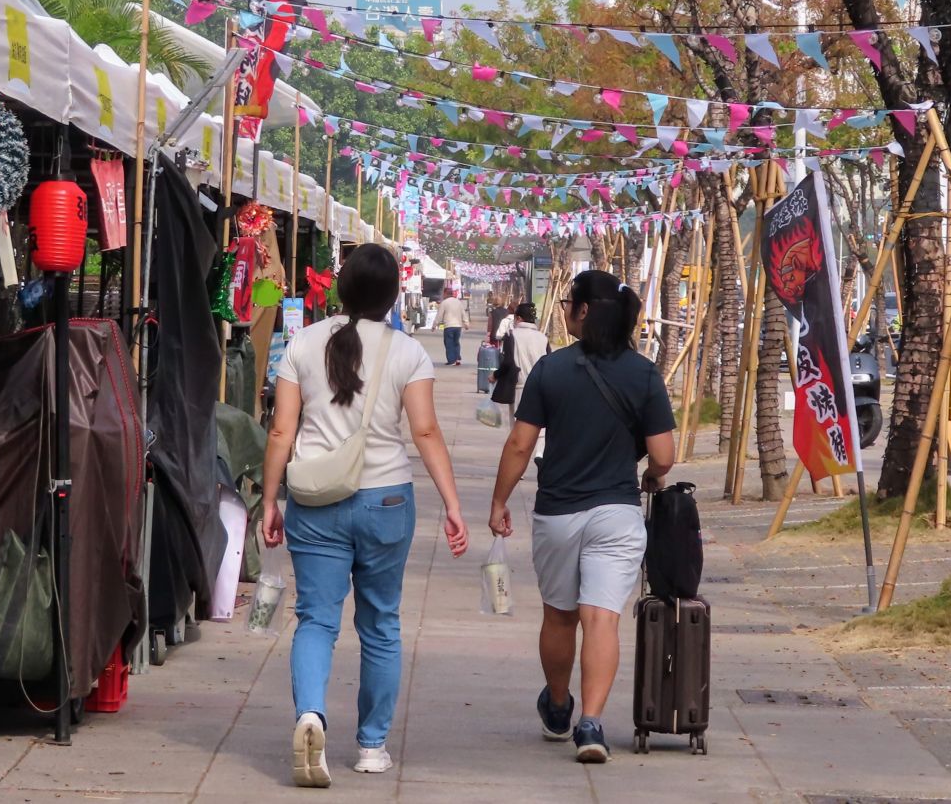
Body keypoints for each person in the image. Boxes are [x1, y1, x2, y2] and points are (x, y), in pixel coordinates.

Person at [262, 244, 470, 788]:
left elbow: (282, 430)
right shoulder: (407, 353)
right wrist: (452, 503)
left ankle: (311, 713)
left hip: (315, 503)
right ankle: (372, 746)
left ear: (339, 287)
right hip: (387, 503)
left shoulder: (303, 343)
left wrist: (267, 500)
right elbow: (424, 431)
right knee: (380, 625)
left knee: (316, 620)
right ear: (394, 295)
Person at [487, 270, 676, 764]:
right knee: (601, 618)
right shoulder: (644, 373)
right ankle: (591, 724)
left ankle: (557, 705)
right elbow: (664, 453)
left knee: (560, 615)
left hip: (558, 513)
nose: (567, 309)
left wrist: (499, 502)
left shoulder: (551, 370)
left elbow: (520, 444)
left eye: (571, 301)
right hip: (617, 512)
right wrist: (651, 477)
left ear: (586, 311)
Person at [490, 302, 549, 420]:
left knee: (519, 426)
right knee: (538, 429)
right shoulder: (543, 338)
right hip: (540, 390)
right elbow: (550, 364)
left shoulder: (512, 336)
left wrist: (495, 375)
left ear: (519, 318)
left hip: (520, 389)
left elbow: (507, 363)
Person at [436, 288, 467, 365]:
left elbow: (439, 315)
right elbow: (463, 313)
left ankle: (451, 360)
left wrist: (435, 324)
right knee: (456, 342)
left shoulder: (444, 303)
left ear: (446, 294)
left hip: (449, 326)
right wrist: (466, 323)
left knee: (449, 343)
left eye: (444, 293)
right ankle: (457, 358)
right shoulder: (458, 302)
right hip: (458, 326)